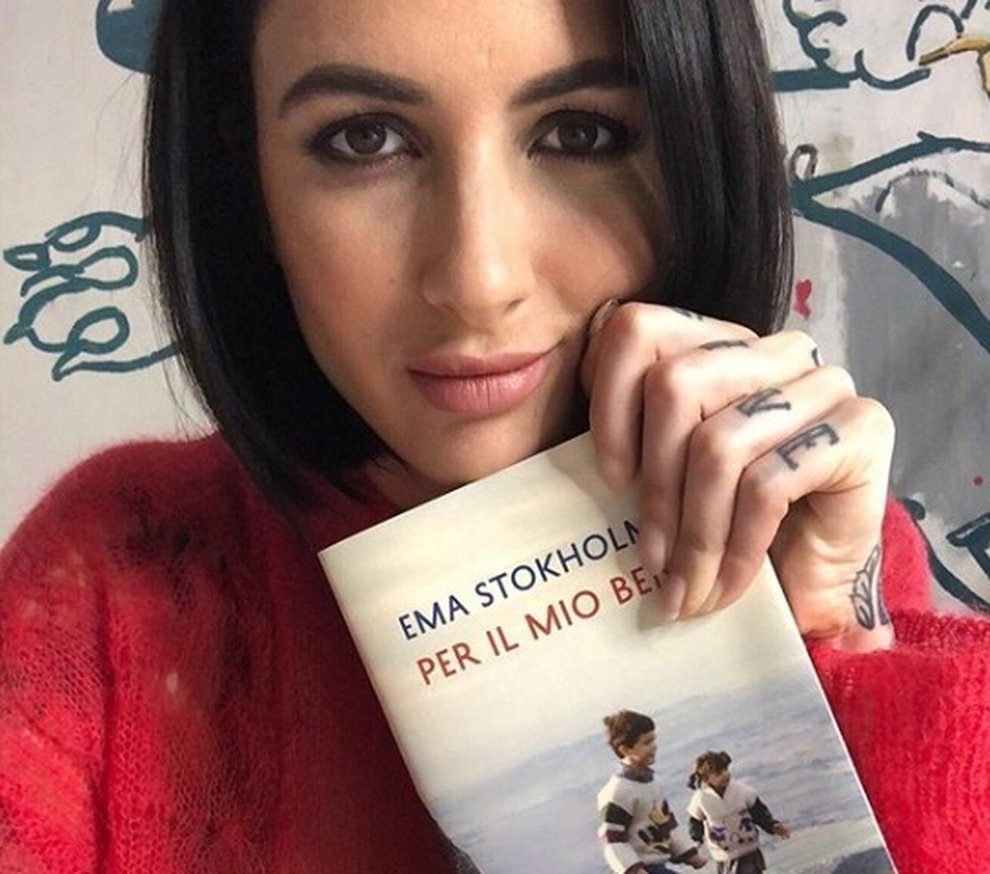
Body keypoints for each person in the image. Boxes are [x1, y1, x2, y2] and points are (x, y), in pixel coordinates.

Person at [0, 0, 987, 871]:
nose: (478, 279)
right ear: (248, 177)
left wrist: (832, 657)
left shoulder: (807, 538)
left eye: (580, 133)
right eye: (363, 139)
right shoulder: (118, 579)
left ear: (698, 149)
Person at [598, 711, 706, 873]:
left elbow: (666, 824)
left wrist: (689, 854)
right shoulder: (618, 791)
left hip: (658, 865)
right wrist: (634, 870)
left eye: (653, 740)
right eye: (646, 743)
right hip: (643, 867)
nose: (654, 746)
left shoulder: (651, 783)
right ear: (625, 749)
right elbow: (612, 840)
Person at [686, 751, 789, 874]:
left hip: (748, 846)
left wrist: (772, 825)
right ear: (706, 778)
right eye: (719, 773)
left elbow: (758, 812)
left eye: (725, 770)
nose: (725, 775)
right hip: (724, 852)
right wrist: (697, 839)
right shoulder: (701, 799)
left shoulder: (742, 791)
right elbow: (695, 821)